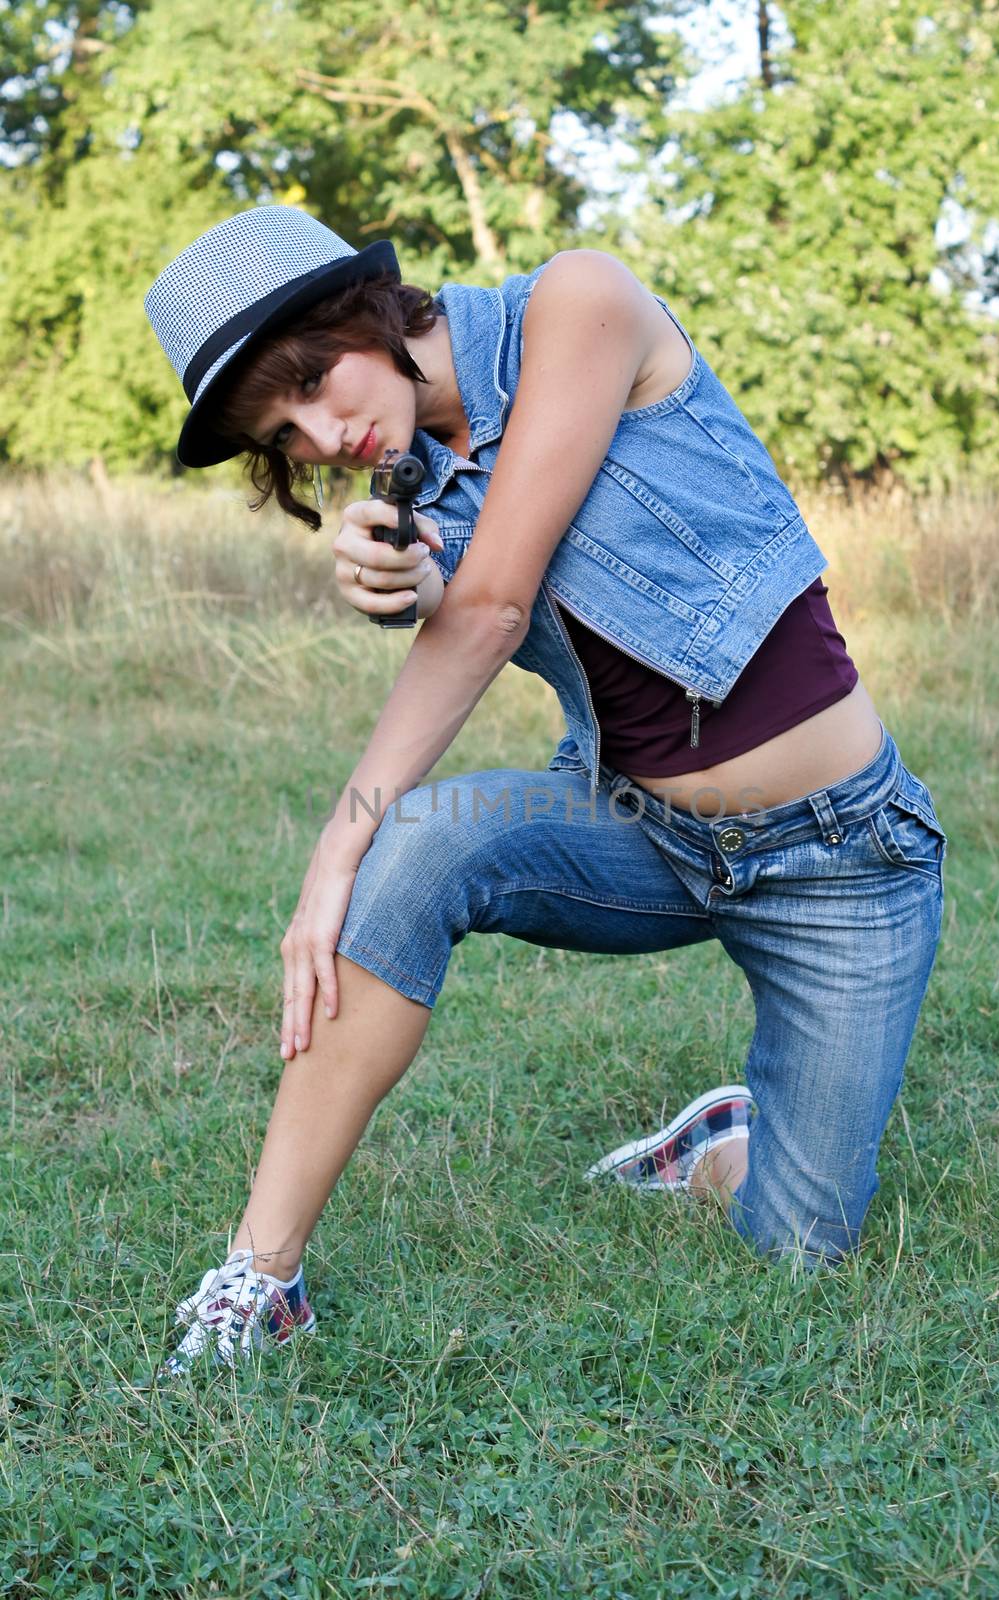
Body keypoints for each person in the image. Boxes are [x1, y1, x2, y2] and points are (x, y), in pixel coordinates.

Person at [144, 206, 947, 1375]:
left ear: (366, 308)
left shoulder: (580, 303)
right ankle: (260, 1277)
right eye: (288, 427)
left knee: (799, 1248)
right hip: (640, 830)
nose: (325, 432)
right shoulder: (416, 481)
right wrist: (411, 581)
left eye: (315, 378)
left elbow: (498, 607)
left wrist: (328, 856)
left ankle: (722, 1140)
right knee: (415, 845)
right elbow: (474, 598)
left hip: (841, 862)